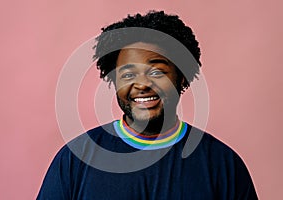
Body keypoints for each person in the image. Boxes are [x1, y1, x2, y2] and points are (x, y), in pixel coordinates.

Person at [37, 11, 258, 199]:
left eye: (157, 72)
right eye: (128, 73)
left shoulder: (223, 164)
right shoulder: (76, 160)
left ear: (181, 77)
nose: (142, 84)